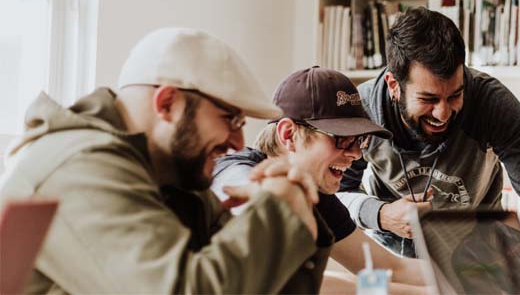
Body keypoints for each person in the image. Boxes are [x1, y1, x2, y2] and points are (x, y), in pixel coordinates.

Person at [0, 28, 331, 293]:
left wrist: (298, 208)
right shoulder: (80, 167)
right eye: (229, 119)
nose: (238, 142)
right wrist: (278, 210)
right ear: (168, 102)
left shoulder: (172, 177)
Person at [337, 6, 520, 289]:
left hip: (479, 257)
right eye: (428, 99)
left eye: (455, 95)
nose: (443, 113)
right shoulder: (363, 109)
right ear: (394, 85)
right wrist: (380, 215)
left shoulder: (491, 103)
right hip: (394, 263)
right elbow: (336, 195)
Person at [211, 66, 429, 295]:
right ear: (288, 135)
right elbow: (295, 284)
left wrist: (461, 276)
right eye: (342, 139)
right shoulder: (236, 173)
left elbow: (392, 267)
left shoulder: (316, 193)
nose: (356, 154)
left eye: (359, 140)